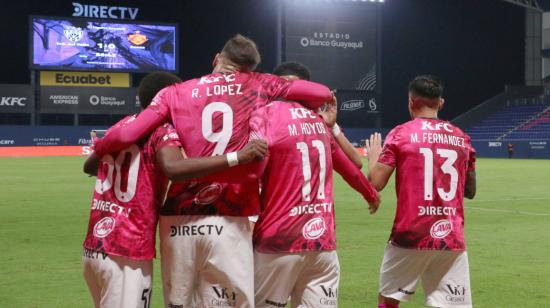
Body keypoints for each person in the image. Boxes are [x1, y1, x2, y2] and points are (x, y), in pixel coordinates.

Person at [93, 34, 334, 307]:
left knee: (180, 303)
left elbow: (128, 135)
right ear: (250, 68)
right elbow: (322, 93)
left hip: (178, 218)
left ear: (217, 59)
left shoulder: (175, 91)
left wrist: (99, 149)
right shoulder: (260, 83)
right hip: (230, 215)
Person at [81, 72, 267, 308]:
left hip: (94, 248)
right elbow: (173, 168)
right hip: (127, 248)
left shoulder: (122, 125)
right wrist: (237, 157)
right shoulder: (161, 131)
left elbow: (89, 166)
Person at [252, 62, 380, 307]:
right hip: (322, 244)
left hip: (278, 240)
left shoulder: (264, 115)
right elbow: (350, 170)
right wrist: (370, 194)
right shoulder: (318, 124)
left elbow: (252, 171)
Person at [365, 75, 477, 308]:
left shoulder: (400, 134)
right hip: (451, 237)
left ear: (410, 102)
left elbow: (376, 183)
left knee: (389, 301)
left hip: (410, 235)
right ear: (441, 103)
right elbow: (470, 190)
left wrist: (373, 158)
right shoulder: (461, 138)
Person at [274, 61, 364, 169]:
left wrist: (333, 127)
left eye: (294, 88)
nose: (288, 93)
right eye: (283, 86)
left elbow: (356, 163)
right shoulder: (263, 117)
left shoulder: (318, 120)